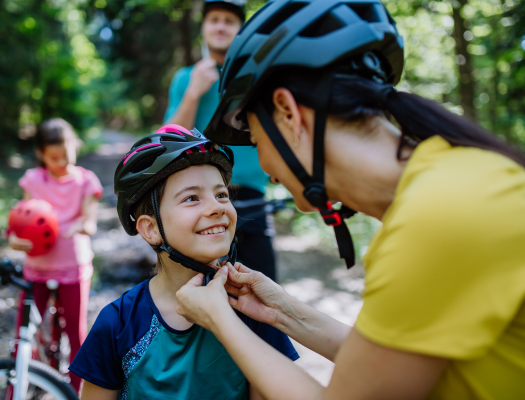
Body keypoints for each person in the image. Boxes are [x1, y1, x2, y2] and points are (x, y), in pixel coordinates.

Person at [175, 0, 525, 399]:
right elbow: (386, 363)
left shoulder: (438, 219)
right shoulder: (456, 181)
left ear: (289, 113)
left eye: (256, 141)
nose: (266, 168)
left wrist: (221, 320)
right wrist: (282, 312)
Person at [69, 125, 298, 400]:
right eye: (191, 198)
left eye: (222, 194)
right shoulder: (117, 324)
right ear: (151, 229)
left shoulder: (253, 311)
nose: (217, 207)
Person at [164, 0, 278, 281]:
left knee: (264, 290)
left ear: (240, 31)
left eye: (229, 21)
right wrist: (193, 92)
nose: (220, 26)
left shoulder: (258, 77)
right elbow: (166, 141)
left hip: (253, 198)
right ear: (203, 27)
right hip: (199, 200)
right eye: (214, 19)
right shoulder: (186, 78)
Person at [8, 118, 103, 393]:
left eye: (66, 155)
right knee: (26, 331)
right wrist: (13, 238)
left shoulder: (86, 181)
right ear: (41, 154)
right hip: (36, 267)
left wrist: (82, 225)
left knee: (76, 332)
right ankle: (20, 386)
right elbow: (21, 219)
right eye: (54, 157)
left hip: (73, 267)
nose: (61, 162)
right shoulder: (34, 180)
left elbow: (91, 221)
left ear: (75, 147)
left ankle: (75, 392)